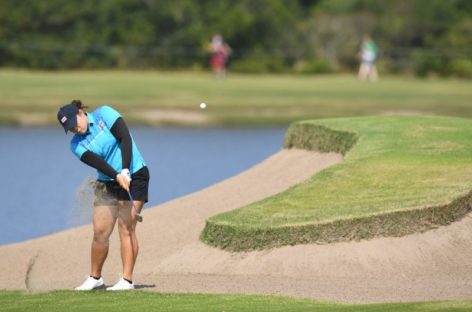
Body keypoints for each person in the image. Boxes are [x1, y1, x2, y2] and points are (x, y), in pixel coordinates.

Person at [57, 100, 150, 291]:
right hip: (108, 181)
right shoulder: (75, 145)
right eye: (70, 128)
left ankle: (127, 280)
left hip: (136, 174)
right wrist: (116, 175)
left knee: (126, 227)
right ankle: (95, 278)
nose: (75, 129)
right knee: (100, 231)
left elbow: (125, 138)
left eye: (75, 123)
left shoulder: (104, 114)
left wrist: (124, 171)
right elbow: (97, 163)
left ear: (81, 112)